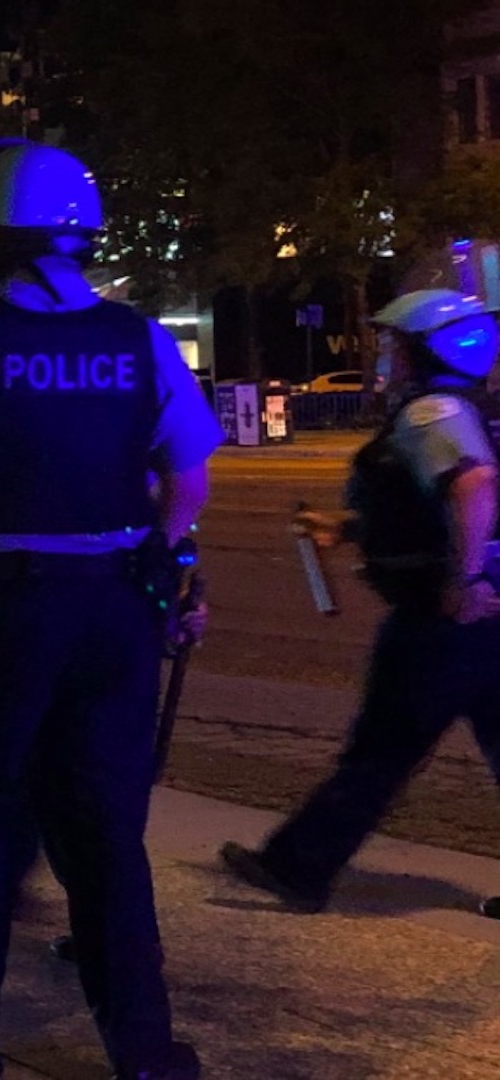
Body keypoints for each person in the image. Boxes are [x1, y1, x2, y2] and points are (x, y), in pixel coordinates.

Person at [0, 139, 217, 1080]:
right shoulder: (138, 336)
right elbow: (187, 476)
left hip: (2, 609)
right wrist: (163, 555)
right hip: (116, 609)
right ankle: (143, 1049)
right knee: (107, 829)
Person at [222, 287, 500, 913]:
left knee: (382, 750)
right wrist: (347, 527)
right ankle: (299, 862)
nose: (384, 354)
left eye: (394, 344)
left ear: (430, 349)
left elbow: (473, 488)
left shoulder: (434, 414)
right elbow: (424, 508)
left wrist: (466, 581)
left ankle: (299, 865)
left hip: (446, 617)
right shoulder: (477, 408)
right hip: (484, 615)